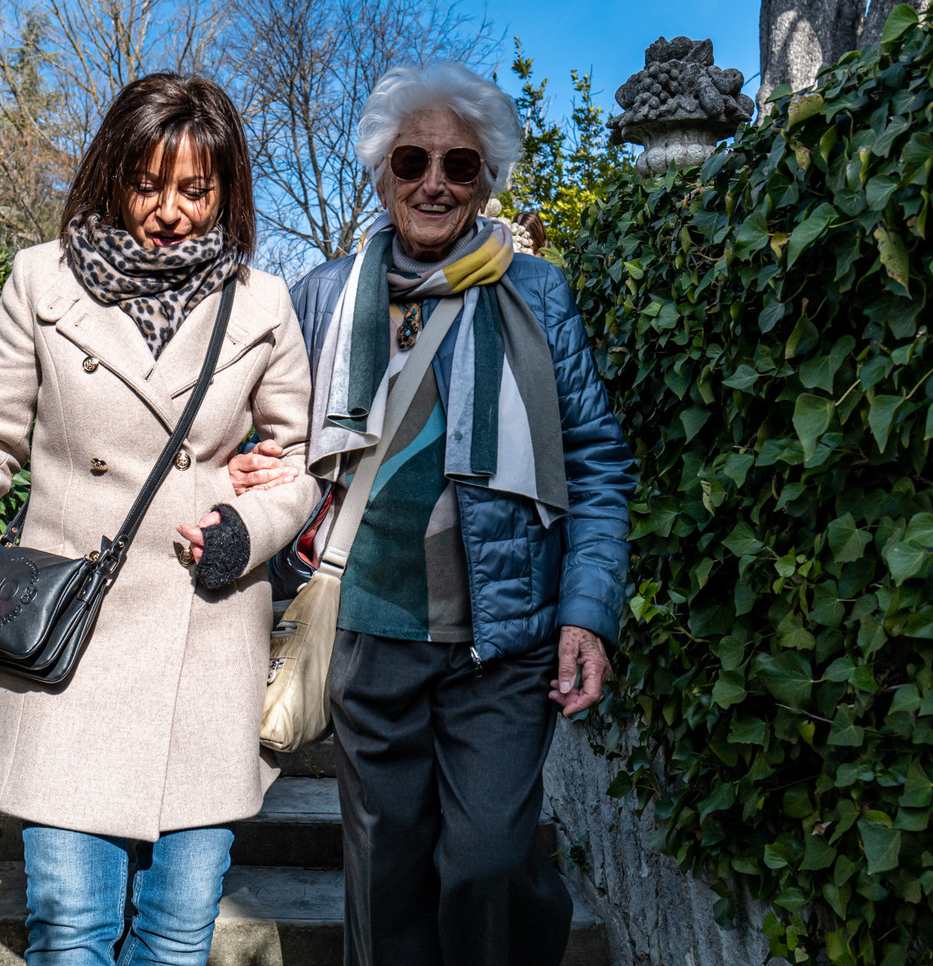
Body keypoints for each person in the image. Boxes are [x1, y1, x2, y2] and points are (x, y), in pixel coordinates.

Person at [230, 62, 635, 966]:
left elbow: (598, 462)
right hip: (368, 627)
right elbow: (285, 436)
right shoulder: (326, 294)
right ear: (381, 173)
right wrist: (261, 460)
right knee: (385, 870)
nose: (435, 182)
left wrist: (587, 614)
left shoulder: (538, 295)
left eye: (460, 164)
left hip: (504, 637)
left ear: (488, 179)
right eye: (412, 161)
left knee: (488, 861)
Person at [0, 72, 320, 966]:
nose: (169, 211)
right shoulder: (40, 280)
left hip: (203, 637)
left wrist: (249, 530)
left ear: (225, 191)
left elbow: (298, 468)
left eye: (194, 190)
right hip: (71, 641)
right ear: (111, 174)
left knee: (177, 935)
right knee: (70, 930)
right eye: (148, 185)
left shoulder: (263, 303)